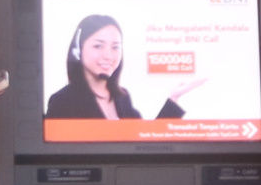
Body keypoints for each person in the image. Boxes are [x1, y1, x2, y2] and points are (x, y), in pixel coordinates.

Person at [43, 13, 205, 120]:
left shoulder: (122, 97)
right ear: (78, 50)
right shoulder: (62, 101)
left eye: (115, 47)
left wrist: (174, 98)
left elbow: (146, 142)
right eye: (98, 46)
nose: (108, 55)